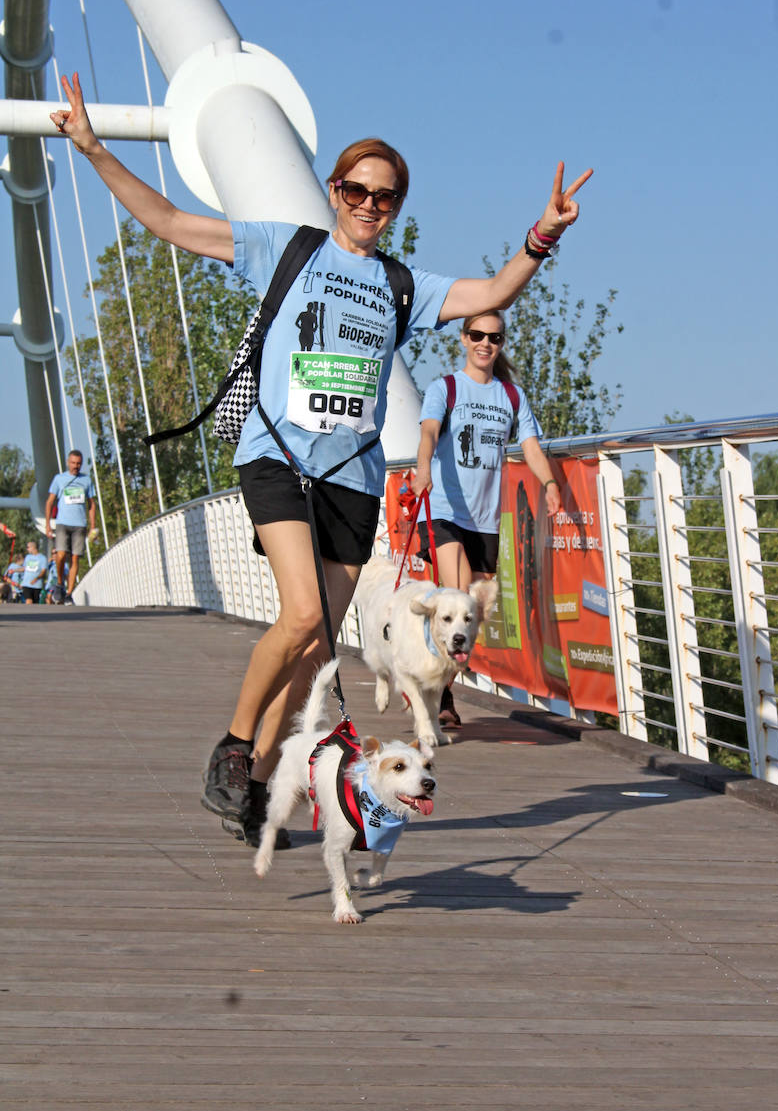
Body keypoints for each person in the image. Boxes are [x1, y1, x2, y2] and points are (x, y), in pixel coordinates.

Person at [52, 70, 591, 846]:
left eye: (386, 197)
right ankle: (235, 750)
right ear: (334, 190)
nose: (369, 206)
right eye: (356, 191)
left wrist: (545, 233)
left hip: (354, 477)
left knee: (315, 651)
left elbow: (496, 288)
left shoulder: (403, 285)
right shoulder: (285, 248)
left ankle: (258, 782)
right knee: (302, 615)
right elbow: (169, 219)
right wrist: (94, 149)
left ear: (396, 208)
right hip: (276, 457)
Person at [412, 310, 562, 725]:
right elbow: (428, 431)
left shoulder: (511, 396)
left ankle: (429, 678)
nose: (485, 344)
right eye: (477, 335)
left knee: (468, 614)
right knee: (455, 596)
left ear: (501, 344)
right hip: (443, 508)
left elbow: (530, 446)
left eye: (494, 338)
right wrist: (423, 465)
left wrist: (550, 484)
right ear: (463, 338)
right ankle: (442, 699)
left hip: (484, 520)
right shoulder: (445, 388)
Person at [45, 449, 97, 603]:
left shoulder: (86, 480)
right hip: (62, 523)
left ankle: (68, 593)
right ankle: (60, 583)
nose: (76, 466)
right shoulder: (59, 479)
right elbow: (49, 502)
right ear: (68, 463)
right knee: (60, 555)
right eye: (73, 463)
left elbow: (92, 504)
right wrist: (48, 525)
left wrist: (93, 526)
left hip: (80, 525)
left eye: (79, 463)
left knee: (75, 558)